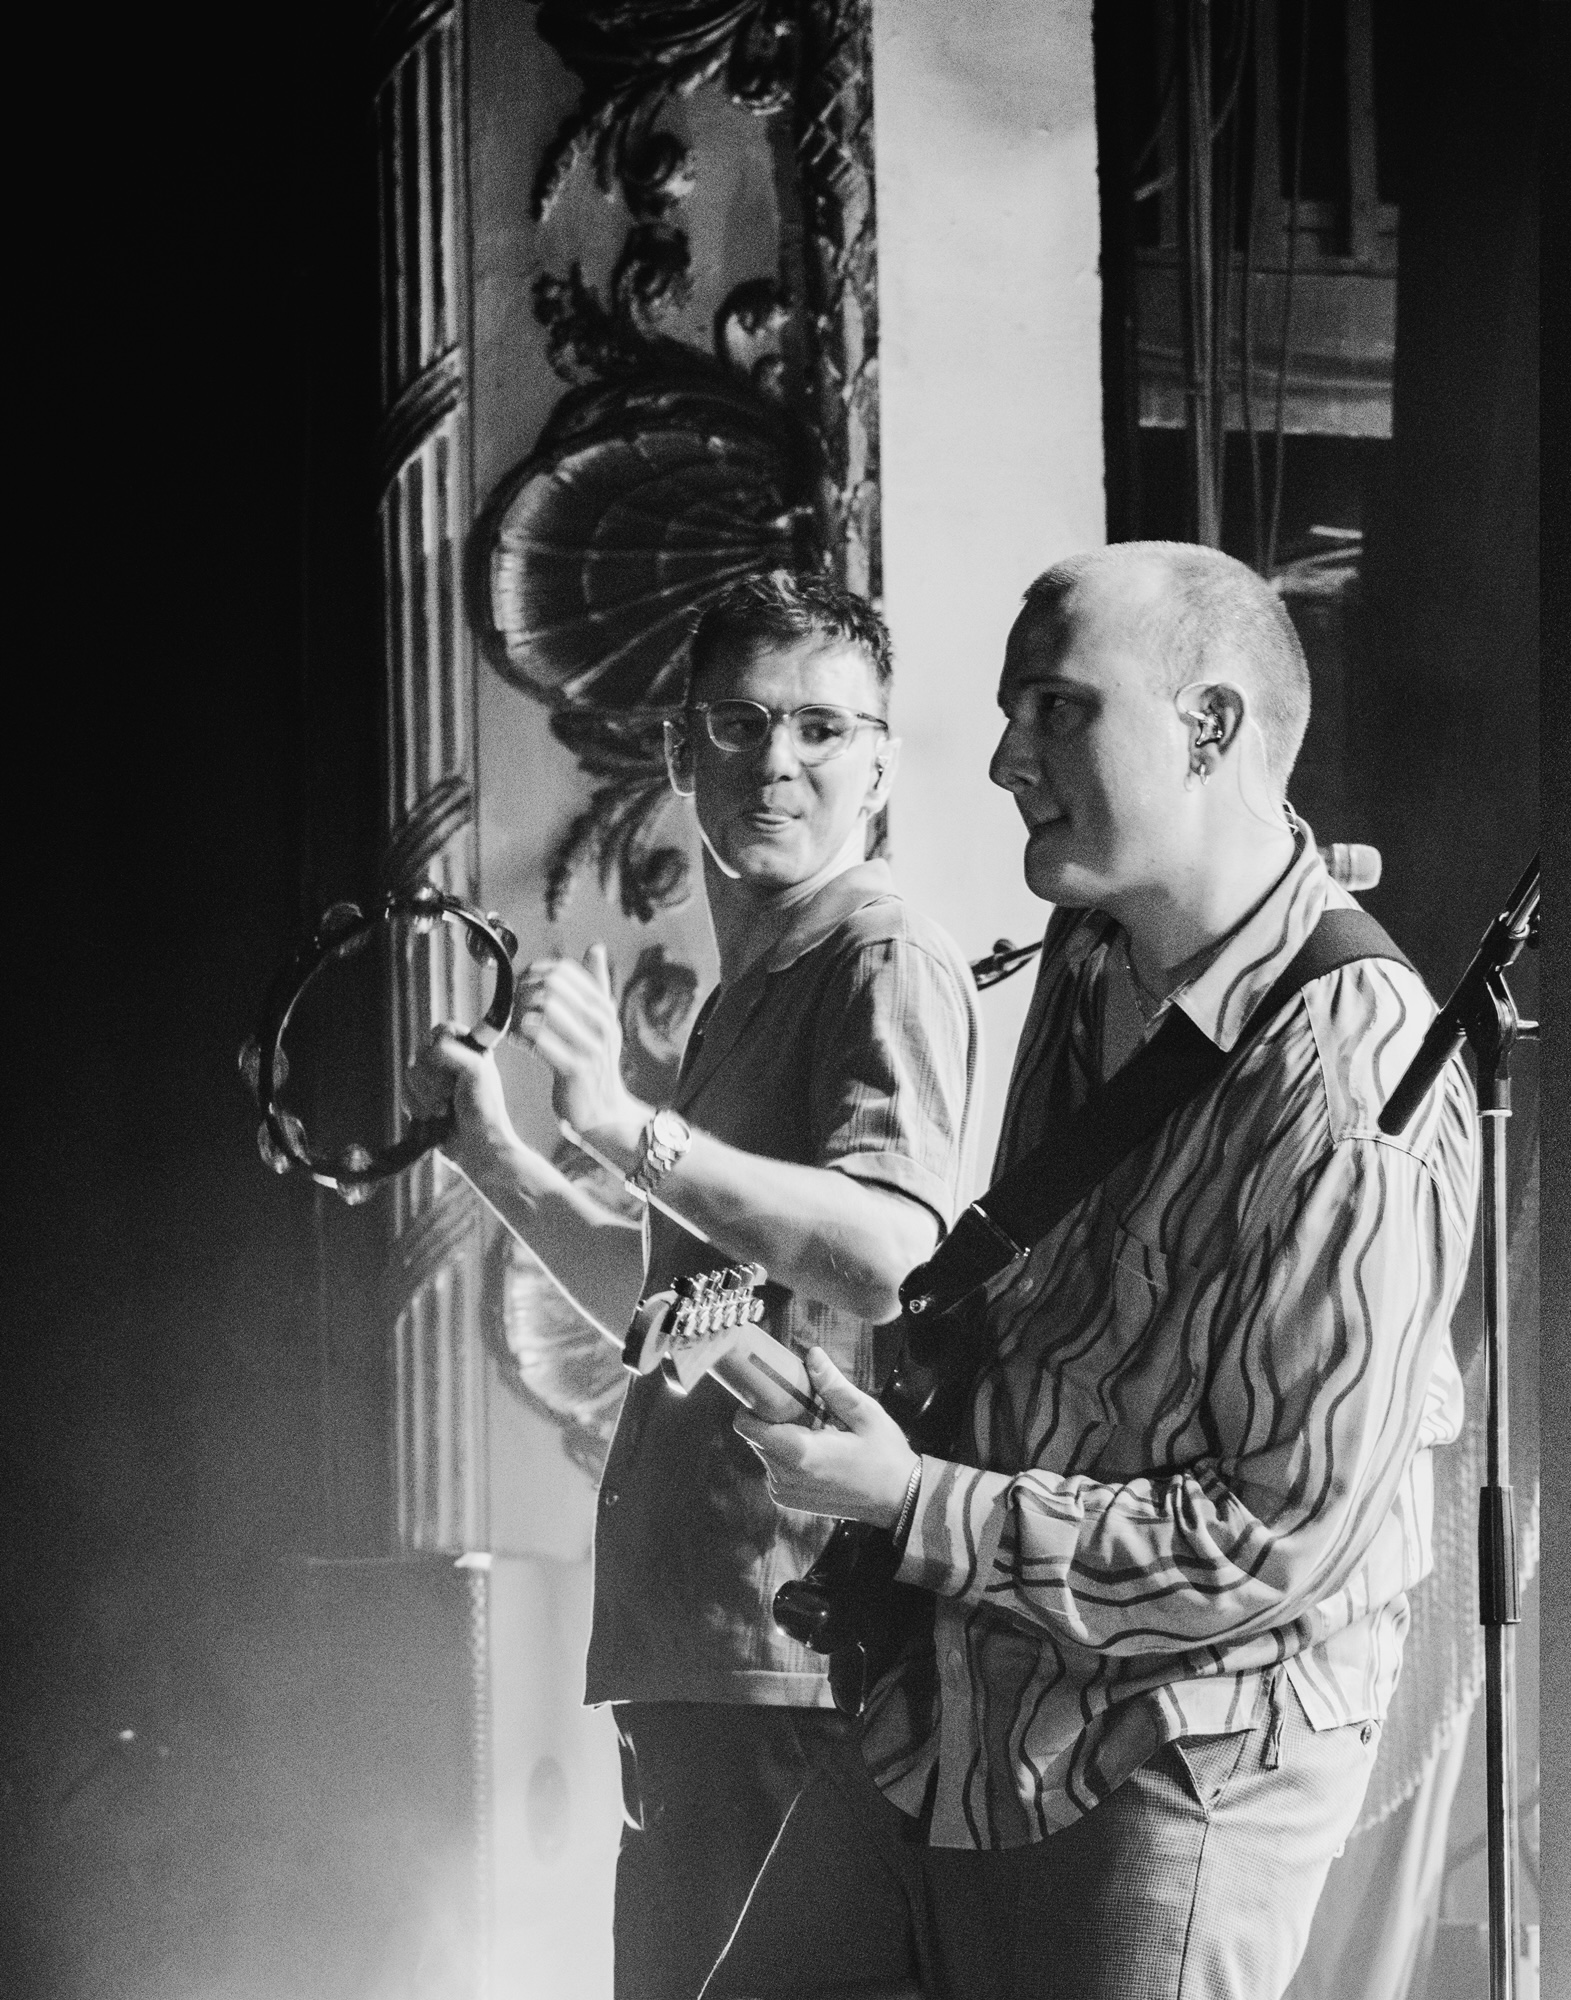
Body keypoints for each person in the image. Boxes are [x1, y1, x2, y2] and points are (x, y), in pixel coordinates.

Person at [705, 541, 1476, 2000]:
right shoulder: (1087, 953)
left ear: (1213, 727)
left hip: (1190, 1744)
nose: (1006, 758)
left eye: (1059, 710)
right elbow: (1046, 1329)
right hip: (968, 1705)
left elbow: (1271, 1541)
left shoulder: (1355, 1076)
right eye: (1012, 713)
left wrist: (911, 1500)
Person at [408, 570, 979, 2000]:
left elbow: (890, 1249)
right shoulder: (754, 987)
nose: (780, 762)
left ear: (880, 765)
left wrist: (623, 1125)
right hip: (703, 1659)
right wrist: (504, 1164)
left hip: (792, 1651)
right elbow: (686, 1319)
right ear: (679, 753)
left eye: (824, 729)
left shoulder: (879, 957)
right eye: (740, 725)